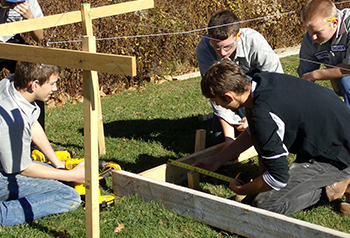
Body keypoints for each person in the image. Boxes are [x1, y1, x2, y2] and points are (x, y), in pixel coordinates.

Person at [194, 59, 350, 215]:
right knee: (260, 192)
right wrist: (218, 160)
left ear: (229, 97)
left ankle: (331, 187)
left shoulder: (262, 114)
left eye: (216, 102)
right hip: (331, 137)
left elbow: (278, 178)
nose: (219, 106)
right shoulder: (262, 82)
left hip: (338, 155)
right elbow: (253, 132)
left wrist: (242, 189)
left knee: (263, 205)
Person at [0, 61, 85, 226]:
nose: (55, 89)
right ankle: (4, 213)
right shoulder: (12, 120)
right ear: (34, 85)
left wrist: (57, 163)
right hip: (4, 175)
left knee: (63, 178)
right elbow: (22, 169)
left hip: (6, 166)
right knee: (69, 196)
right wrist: (71, 175)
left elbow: (32, 122)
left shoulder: (11, 83)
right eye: (52, 84)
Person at [196, 10, 283, 146]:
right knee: (220, 142)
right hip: (228, 87)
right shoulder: (204, 49)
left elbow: (276, 82)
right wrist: (229, 141)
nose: (222, 53)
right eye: (216, 47)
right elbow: (215, 92)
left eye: (227, 46)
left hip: (257, 85)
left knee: (260, 131)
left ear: (239, 35)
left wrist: (255, 117)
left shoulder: (254, 41)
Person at [0, 0, 45, 131]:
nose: (13, 5)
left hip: (12, 42)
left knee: (35, 75)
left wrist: (30, 17)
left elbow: (39, 36)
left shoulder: (29, 2)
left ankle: (36, 142)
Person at [298, 0, 350, 109]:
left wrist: (314, 75)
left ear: (334, 23)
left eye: (318, 32)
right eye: (309, 32)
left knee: (347, 82)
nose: (313, 37)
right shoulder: (310, 38)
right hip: (340, 86)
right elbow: (305, 77)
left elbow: (348, 69)